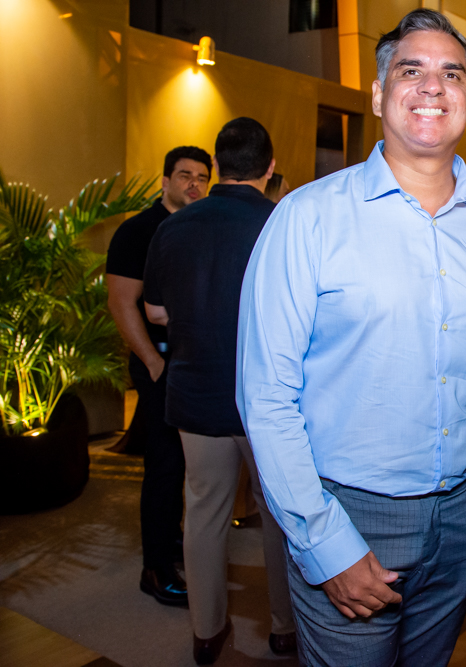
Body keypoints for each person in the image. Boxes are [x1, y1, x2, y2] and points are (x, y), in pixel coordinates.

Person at [236, 10, 466, 666]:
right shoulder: (307, 218)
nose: (432, 86)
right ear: (378, 93)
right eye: (411, 70)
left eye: (452, 74)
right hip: (346, 513)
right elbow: (266, 396)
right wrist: (324, 543)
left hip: (461, 514)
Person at [143, 118, 295, 665]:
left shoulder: (175, 226)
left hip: (195, 391)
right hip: (266, 401)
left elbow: (155, 311)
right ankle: (284, 628)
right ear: (269, 168)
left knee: (203, 513)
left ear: (216, 165)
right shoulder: (281, 224)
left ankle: (206, 632)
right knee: (279, 515)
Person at [106, 145, 211, 608]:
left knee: (190, 464)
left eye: (202, 177)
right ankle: (155, 568)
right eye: (185, 175)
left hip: (195, 363)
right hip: (160, 363)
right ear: (165, 181)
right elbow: (121, 302)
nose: (194, 184)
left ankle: (172, 537)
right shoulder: (138, 231)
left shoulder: (200, 227)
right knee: (165, 463)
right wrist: (152, 362)